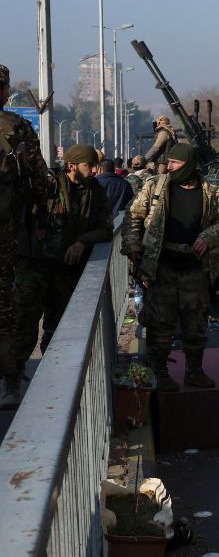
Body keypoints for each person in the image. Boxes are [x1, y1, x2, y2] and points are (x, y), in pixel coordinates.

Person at [122, 143, 219, 392]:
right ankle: (160, 373)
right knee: (161, 323)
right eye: (168, 162)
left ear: (189, 165)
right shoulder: (155, 187)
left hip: (195, 268)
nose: (169, 167)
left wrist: (208, 236)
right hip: (162, 265)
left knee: (196, 323)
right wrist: (133, 245)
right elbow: (133, 216)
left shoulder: (210, 192)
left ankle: (194, 371)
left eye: (175, 163)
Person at [12, 144, 112, 407]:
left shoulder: (95, 192)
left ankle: (51, 381)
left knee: (57, 330)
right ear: (71, 166)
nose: (94, 170)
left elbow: (105, 228)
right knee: (23, 325)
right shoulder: (46, 186)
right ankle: (11, 382)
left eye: (95, 166)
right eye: (89, 166)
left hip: (65, 272)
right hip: (33, 266)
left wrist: (82, 241)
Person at [0, 64, 52, 409]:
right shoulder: (16, 127)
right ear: (5, 91)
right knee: (8, 308)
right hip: (8, 234)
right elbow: (42, 181)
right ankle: (12, 381)